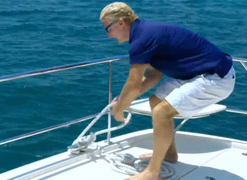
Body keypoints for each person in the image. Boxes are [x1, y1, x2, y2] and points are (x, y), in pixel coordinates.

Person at [100, 2, 235, 180]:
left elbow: (133, 84)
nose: (109, 35)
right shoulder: (144, 33)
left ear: (121, 23)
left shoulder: (141, 39)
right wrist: (124, 99)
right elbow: (153, 76)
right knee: (155, 101)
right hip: (196, 75)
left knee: (161, 112)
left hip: (215, 78)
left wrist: (119, 109)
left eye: (107, 29)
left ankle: (152, 173)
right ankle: (169, 154)